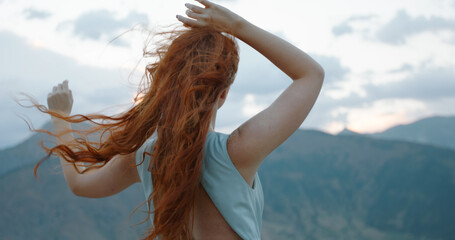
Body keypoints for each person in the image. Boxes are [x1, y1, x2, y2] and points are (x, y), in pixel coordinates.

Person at [37, 0, 324, 239]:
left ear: (167, 85)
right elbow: (311, 75)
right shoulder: (237, 152)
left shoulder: (146, 156)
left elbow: (79, 185)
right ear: (223, 94)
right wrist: (237, 26)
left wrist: (61, 117)